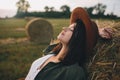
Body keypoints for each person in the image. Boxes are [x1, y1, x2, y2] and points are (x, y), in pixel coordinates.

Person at [25, 7, 113, 80]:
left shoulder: (73, 73)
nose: (64, 28)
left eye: (71, 30)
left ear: (78, 38)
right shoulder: (51, 51)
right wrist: (97, 31)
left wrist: (93, 34)